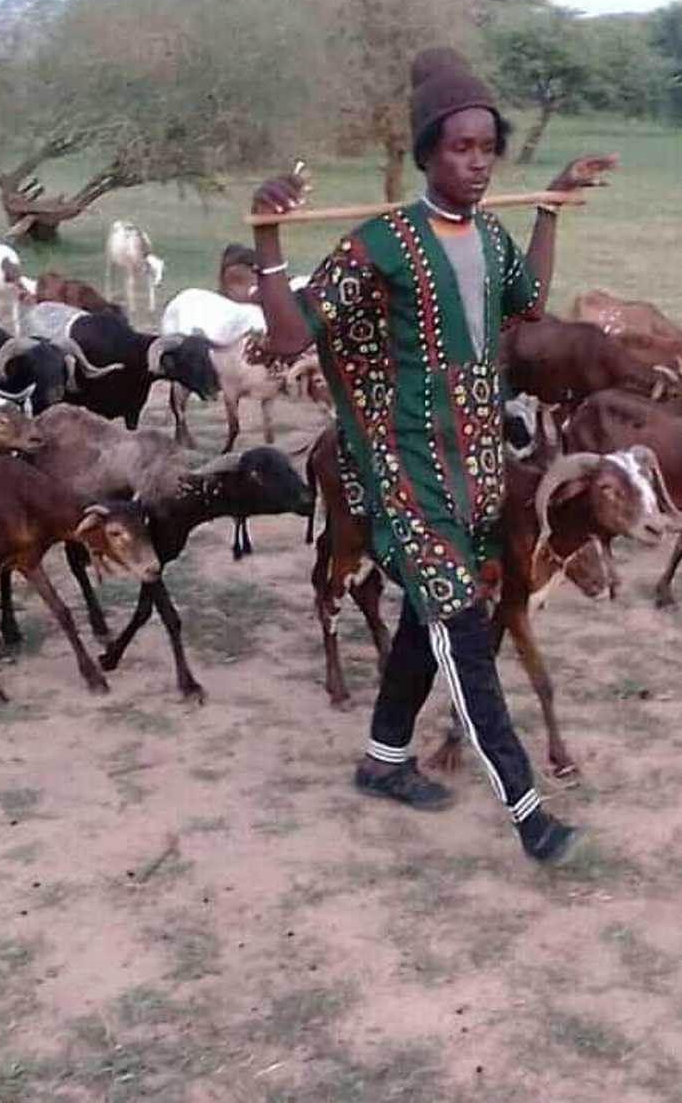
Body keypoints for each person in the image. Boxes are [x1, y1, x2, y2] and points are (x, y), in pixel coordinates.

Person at [250, 47, 615, 864]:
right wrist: (267, 239)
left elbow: (528, 302)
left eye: (488, 147)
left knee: (428, 615)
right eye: (460, 148)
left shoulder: (488, 233)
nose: (478, 163)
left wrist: (548, 210)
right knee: (465, 631)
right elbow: (286, 334)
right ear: (426, 153)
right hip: (410, 473)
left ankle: (383, 760)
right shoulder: (381, 243)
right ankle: (530, 815)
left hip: (478, 469)